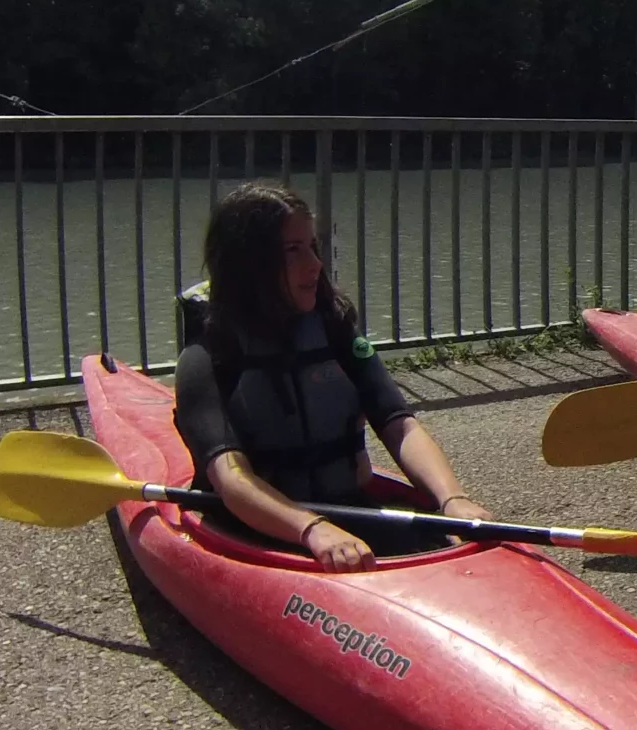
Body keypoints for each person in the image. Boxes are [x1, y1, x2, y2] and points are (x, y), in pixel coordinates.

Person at [173, 182, 488, 572]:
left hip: (347, 513)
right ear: (249, 263)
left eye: (312, 246)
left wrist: (451, 499)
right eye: (293, 251)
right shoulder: (207, 356)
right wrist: (312, 528)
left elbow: (399, 424)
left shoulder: (334, 330)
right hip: (253, 530)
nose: (315, 264)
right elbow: (230, 478)